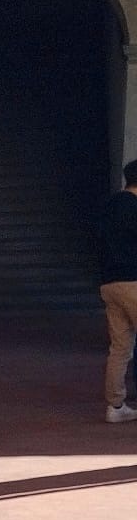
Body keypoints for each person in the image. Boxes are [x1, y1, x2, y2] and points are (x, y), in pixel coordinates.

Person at [96, 158, 137, 423]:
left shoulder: (109, 207)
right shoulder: (134, 208)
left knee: (120, 348)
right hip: (134, 281)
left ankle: (115, 405)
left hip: (110, 284)